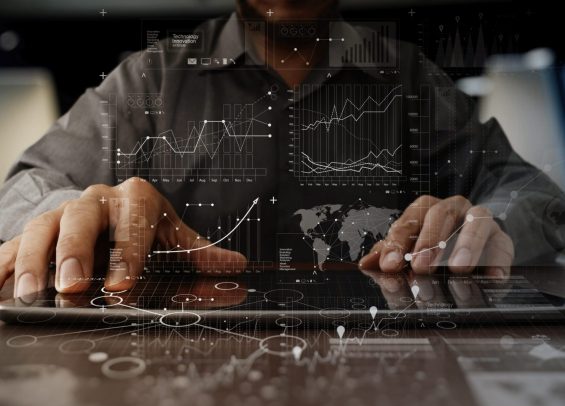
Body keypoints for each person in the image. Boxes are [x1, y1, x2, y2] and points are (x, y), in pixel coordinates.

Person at [0, 0, 564, 298]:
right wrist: (72, 217)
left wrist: (490, 224)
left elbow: (530, 192)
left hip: (379, 371)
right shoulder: (148, 79)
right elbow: (23, 189)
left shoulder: (411, 80)